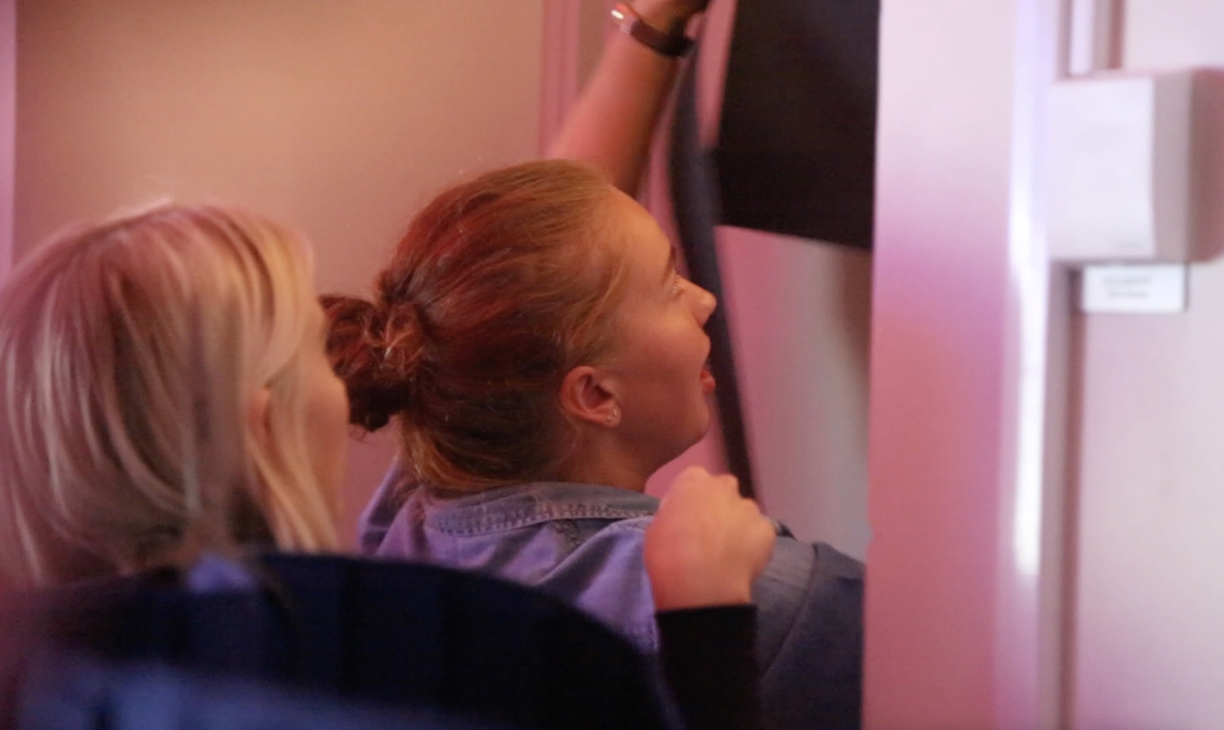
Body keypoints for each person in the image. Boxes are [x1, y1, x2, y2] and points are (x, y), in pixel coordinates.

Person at [0, 202, 775, 730]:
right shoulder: (444, 659)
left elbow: (525, 305)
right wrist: (706, 626)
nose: (348, 384)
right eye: (315, 353)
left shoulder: (35, 673)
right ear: (263, 431)